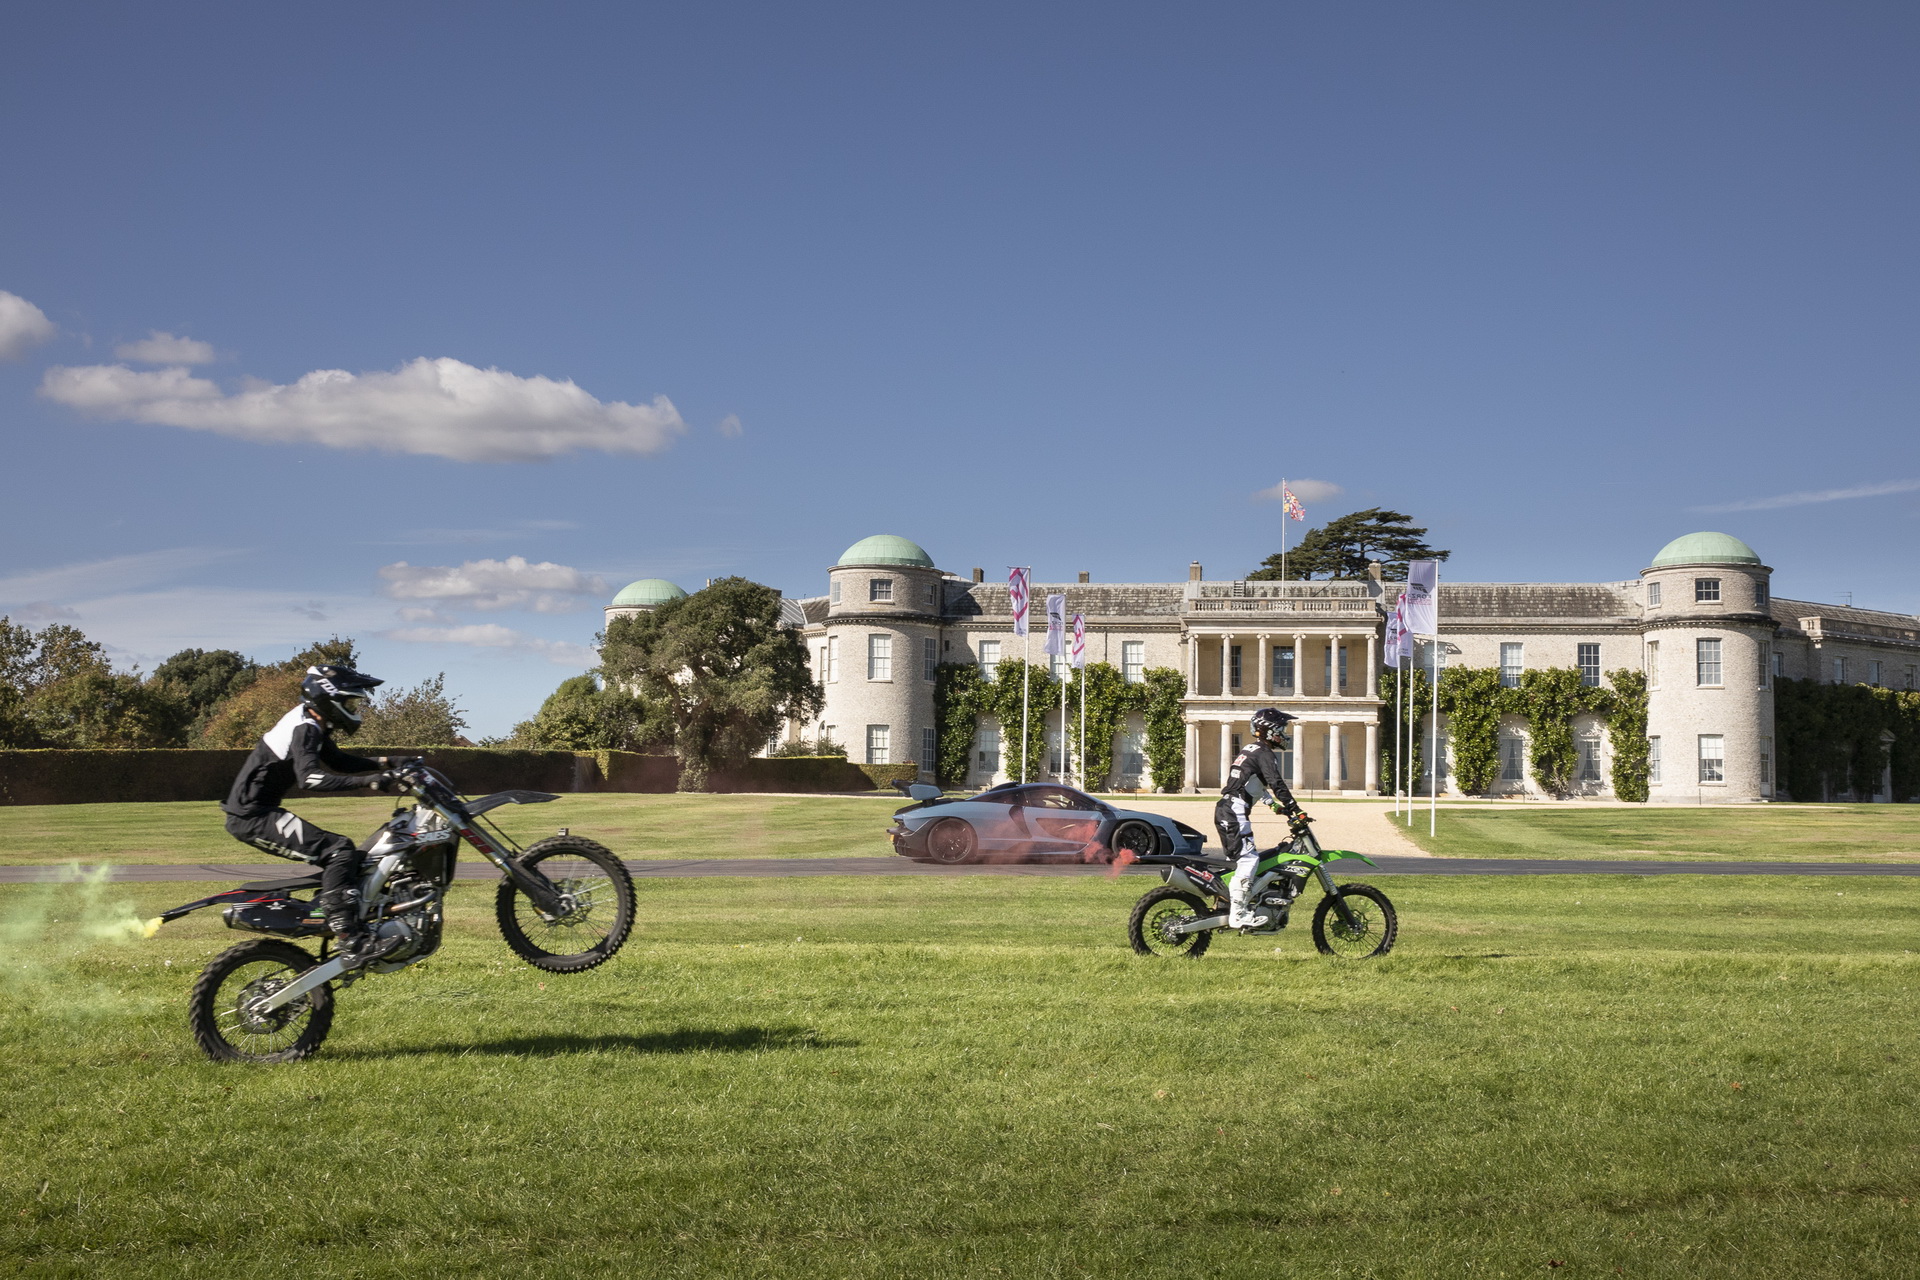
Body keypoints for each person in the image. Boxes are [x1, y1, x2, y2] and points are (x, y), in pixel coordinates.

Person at [221, 665, 407, 965]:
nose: (354, 709)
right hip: (251, 817)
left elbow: (339, 761)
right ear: (328, 698)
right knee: (338, 852)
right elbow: (309, 778)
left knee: (350, 855)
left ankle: (346, 913)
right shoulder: (305, 728)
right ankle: (349, 937)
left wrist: (391, 761)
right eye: (350, 702)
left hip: (259, 811)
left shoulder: (312, 721)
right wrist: (371, 781)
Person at [1215, 706, 1305, 929]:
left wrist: (1274, 806)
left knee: (1238, 864)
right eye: (1281, 730)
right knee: (1249, 860)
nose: (1284, 735)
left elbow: (1253, 784)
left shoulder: (1250, 749)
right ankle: (1238, 915)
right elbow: (1276, 782)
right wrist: (1294, 808)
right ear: (1269, 730)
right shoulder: (1264, 753)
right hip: (1234, 811)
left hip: (1228, 808)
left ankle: (1224, 904)